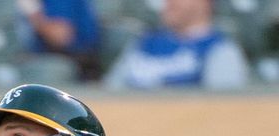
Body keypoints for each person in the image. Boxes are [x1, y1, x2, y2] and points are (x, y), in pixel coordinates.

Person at [105, 0, 250, 89]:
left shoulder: (221, 50)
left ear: (205, 2)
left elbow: (224, 111)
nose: (170, 2)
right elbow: (110, 93)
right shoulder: (143, 44)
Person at [16, 0, 102, 80]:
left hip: (78, 57)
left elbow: (61, 36)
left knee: (54, 70)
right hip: (34, 57)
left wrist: (34, 14)